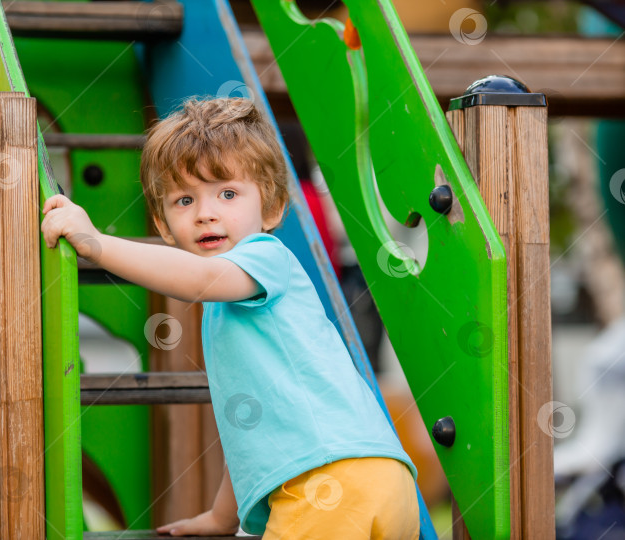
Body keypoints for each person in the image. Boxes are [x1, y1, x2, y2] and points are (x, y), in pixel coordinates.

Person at [40, 97, 419, 539]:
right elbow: (251, 429)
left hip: (325, 484)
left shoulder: (264, 259)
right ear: (163, 226)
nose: (205, 213)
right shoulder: (231, 306)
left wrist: (96, 243)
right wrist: (223, 518)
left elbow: (198, 277)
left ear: (272, 209)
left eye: (228, 193)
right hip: (376, 479)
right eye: (184, 200)